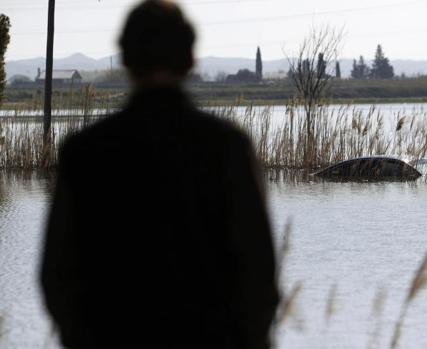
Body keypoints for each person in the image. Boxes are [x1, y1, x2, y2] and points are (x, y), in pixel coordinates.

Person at [40, 1, 279, 348]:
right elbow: (259, 274)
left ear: (124, 60)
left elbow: (57, 275)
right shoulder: (227, 147)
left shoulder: (85, 152)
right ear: (191, 61)